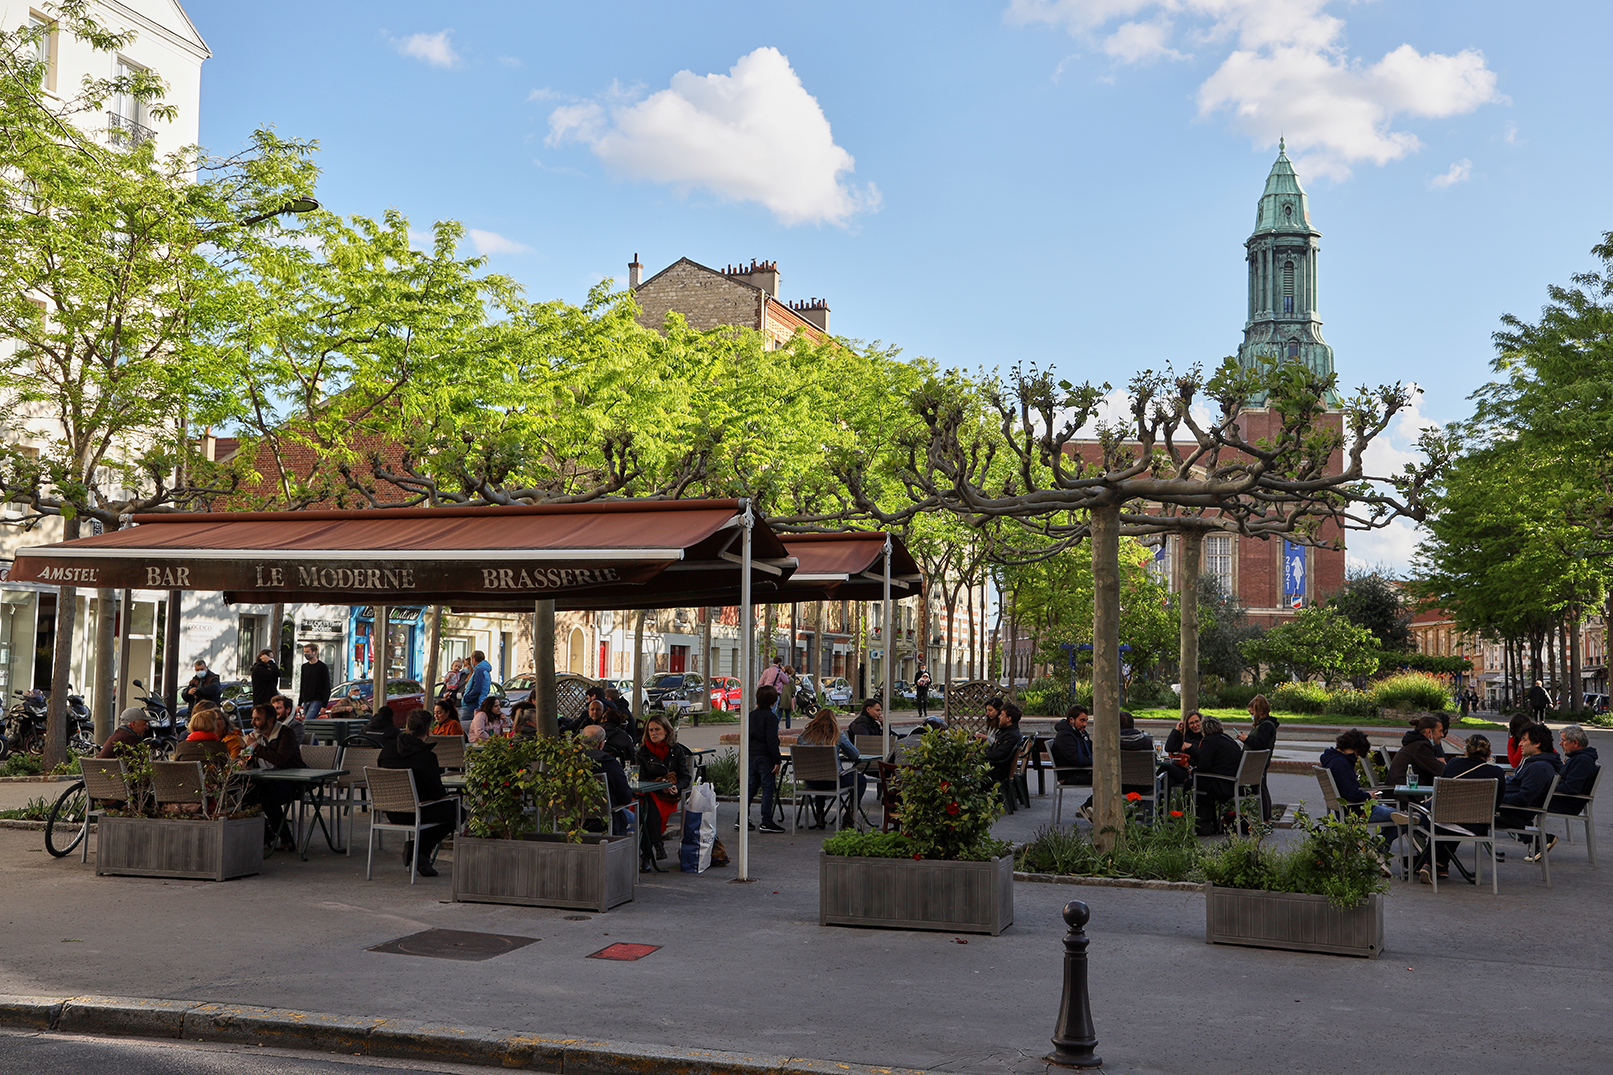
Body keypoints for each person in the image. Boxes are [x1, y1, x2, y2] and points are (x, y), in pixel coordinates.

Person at [1411, 734, 1508, 883]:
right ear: (1489, 754)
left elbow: (1441, 794)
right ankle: (1440, 865)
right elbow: (1497, 803)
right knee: (1453, 823)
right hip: (1476, 826)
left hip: (1443, 820)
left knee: (1442, 821)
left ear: (1466, 752)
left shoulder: (1453, 764)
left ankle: (1427, 862)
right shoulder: (1497, 773)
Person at [378, 707, 457, 877]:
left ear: (407, 727)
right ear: (428, 730)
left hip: (391, 810)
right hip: (419, 810)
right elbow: (437, 793)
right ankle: (419, 849)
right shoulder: (427, 757)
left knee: (444, 810)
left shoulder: (388, 749)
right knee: (456, 811)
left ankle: (420, 854)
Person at [240, 702, 306, 852]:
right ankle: (269, 834)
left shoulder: (286, 734)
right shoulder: (254, 735)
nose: (252, 723)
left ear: (270, 720)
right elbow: (245, 757)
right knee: (243, 795)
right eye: (253, 719)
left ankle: (284, 838)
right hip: (264, 781)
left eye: (257, 719)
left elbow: (280, 759)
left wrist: (256, 747)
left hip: (291, 781)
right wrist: (242, 761)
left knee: (265, 794)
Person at [1317, 728, 1399, 842]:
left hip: (1343, 810)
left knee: (1394, 814)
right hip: (1357, 812)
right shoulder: (1342, 764)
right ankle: (1377, 847)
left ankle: (1377, 847)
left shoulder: (1331, 759)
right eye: (1358, 754)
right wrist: (1368, 796)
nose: (1357, 758)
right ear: (1355, 749)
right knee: (1404, 819)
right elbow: (1352, 794)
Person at [1497, 723, 1563, 860]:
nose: (1520, 744)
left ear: (1537, 743)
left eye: (1524, 740)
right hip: (1504, 807)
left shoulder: (1539, 768)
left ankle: (1442, 862)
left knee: (1460, 816)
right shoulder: (1537, 764)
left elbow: (1523, 798)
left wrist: (1495, 798)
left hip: (1504, 810)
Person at [794, 706, 865, 827]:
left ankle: (820, 814)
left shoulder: (803, 736)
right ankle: (849, 815)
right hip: (833, 782)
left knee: (819, 772)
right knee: (861, 780)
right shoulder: (837, 736)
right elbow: (855, 754)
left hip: (811, 782)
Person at [635, 713, 692, 856]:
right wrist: (658, 784)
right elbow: (640, 778)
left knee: (648, 812)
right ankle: (656, 846)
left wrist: (676, 787)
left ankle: (647, 856)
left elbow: (685, 777)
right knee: (646, 808)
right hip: (647, 792)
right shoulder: (642, 753)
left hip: (667, 796)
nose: (654, 733)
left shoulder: (676, 751)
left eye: (657, 729)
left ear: (666, 731)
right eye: (650, 730)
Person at [744, 684, 786, 834]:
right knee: (768, 788)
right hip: (765, 756)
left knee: (750, 787)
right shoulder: (771, 717)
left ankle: (742, 818)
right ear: (773, 701)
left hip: (751, 755)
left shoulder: (751, 715)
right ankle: (766, 820)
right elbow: (771, 741)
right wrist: (777, 760)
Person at [1192, 716, 1244, 832]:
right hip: (1236, 782)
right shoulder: (1227, 739)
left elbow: (1203, 766)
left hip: (1223, 785)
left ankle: (1196, 823)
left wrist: (1193, 771)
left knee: (1190, 784)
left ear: (1204, 730)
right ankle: (1208, 823)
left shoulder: (1209, 741)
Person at [579, 724, 633, 836]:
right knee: (633, 817)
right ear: (601, 744)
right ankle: (633, 852)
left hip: (574, 821)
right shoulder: (610, 764)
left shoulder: (569, 763)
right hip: (605, 822)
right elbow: (625, 797)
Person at [1237, 694, 1280, 819]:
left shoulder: (1266, 726)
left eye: (1252, 712)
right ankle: (1262, 817)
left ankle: (1266, 818)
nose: (1251, 715)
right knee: (1259, 789)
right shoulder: (1262, 725)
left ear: (1260, 711)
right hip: (1256, 762)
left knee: (1262, 790)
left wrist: (1247, 739)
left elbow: (1261, 744)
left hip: (1259, 763)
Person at [1552, 724, 1599, 814]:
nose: (1560, 743)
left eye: (1563, 740)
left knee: (1527, 801)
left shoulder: (1582, 761)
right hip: (1562, 800)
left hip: (1565, 804)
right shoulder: (1577, 758)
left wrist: (1548, 787)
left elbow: (1571, 788)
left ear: (1575, 743)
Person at [976, 698, 1022, 789]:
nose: (999, 717)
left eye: (1001, 714)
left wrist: (979, 754)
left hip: (997, 770)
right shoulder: (1007, 732)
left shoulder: (1010, 735)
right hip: (997, 766)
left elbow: (997, 755)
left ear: (1008, 718)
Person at [1387, 716, 1446, 787]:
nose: (1442, 735)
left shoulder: (1416, 744)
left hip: (1403, 789)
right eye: (1440, 731)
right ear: (1429, 732)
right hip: (1405, 793)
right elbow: (1440, 771)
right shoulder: (1421, 747)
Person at [1049, 705, 1093, 784]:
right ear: (1071, 720)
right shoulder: (1064, 736)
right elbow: (1076, 759)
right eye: (1082, 720)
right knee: (1106, 777)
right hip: (1069, 774)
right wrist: (1095, 762)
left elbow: (1090, 746)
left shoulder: (1080, 732)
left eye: (1086, 721)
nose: (1085, 724)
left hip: (1080, 770)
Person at [296, 645, 331, 721]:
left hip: (317, 699)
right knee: (308, 722)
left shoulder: (322, 667)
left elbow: (326, 686)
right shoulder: (304, 667)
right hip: (306, 699)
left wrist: (324, 705)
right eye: (305, 652)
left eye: (308, 652)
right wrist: (299, 703)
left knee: (307, 721)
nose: (306, 654)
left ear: (314, 652)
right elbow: (303, 684)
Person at [460, 649, 492, 725]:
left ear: (474, 659)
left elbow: (477, 688)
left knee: (464, 726)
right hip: (478, 702)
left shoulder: (479, 671)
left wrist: (467, 698)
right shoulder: (485, 671)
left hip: (473, 705)